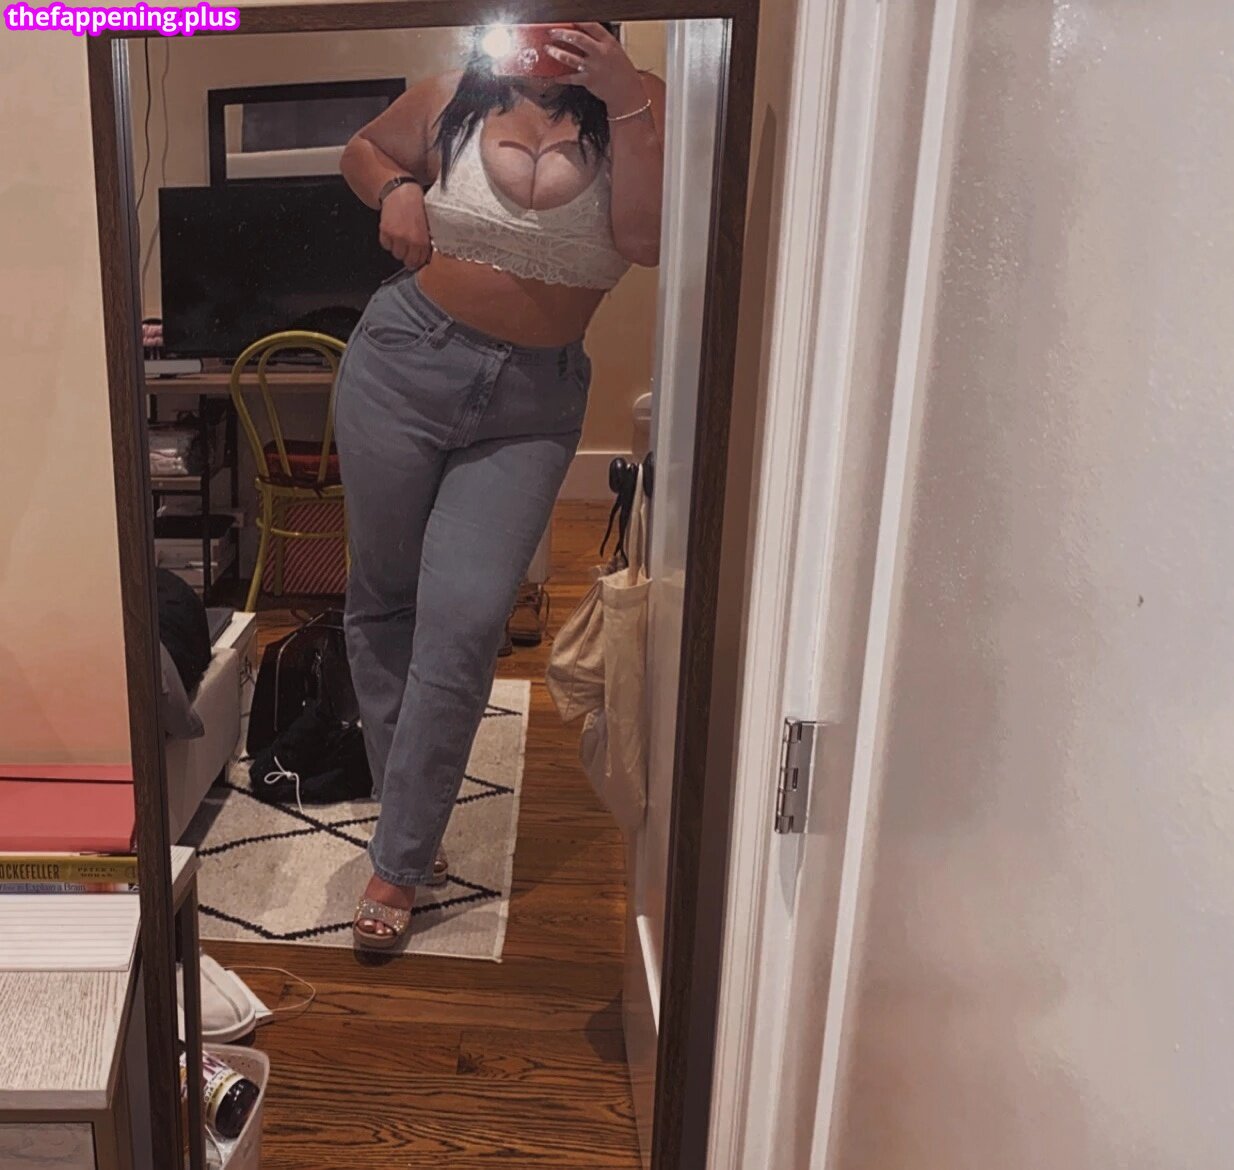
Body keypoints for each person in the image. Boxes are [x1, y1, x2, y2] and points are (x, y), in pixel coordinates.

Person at [336, 22, 664, 949]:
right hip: (402, 362)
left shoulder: (644, 101)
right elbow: (361, 150)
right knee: (383, 599)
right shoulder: (455, 91)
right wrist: (397, 187)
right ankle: (410, 826)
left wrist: (621, 94)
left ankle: (397, 861)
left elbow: (643, 239)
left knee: (469, 616)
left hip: (533, 403)